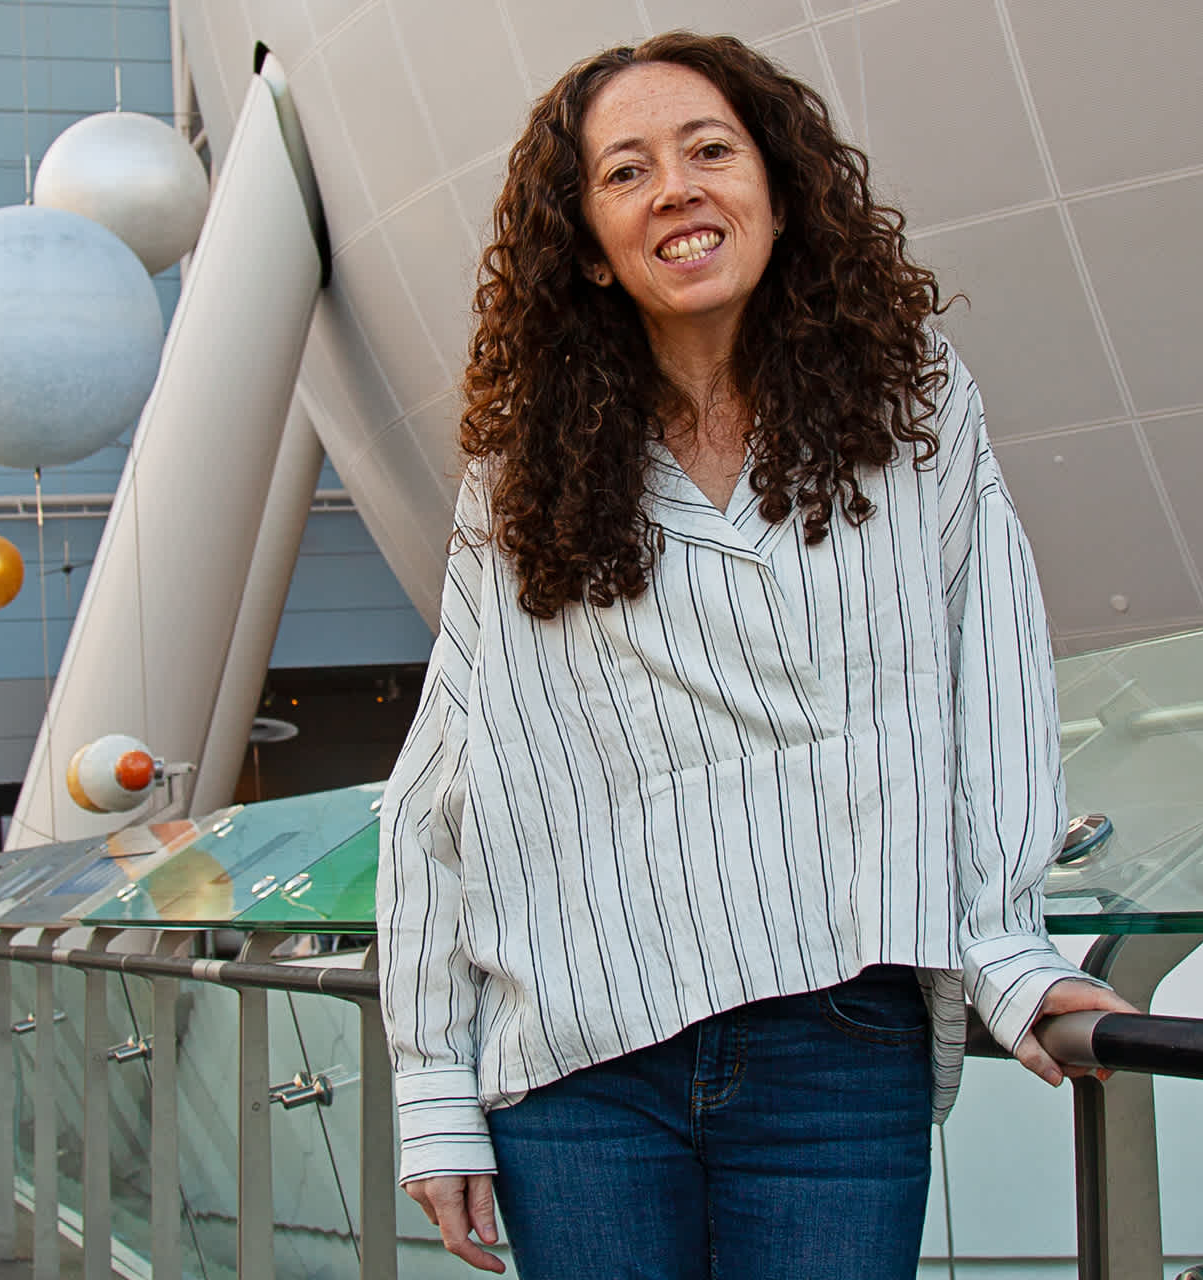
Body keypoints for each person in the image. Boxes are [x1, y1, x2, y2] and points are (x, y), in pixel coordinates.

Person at [375, 30, 1136, 1280]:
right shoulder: (521, 474)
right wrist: (433, 1078)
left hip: (839, 1042)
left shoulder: (916, 409)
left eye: (709, 149)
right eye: (624, 172)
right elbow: (446, 773)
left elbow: (989, 679)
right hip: (578, 1061)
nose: (674, 186)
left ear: (779, 191)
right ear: (590, 245)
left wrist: (1007, 945)